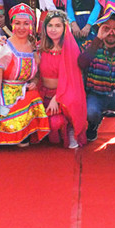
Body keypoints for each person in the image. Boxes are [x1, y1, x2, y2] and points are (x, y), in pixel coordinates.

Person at [0, 4, 50, 148]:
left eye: (26, 23)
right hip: (5, 95)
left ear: (31, 25)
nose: (21, 27)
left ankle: (24, 131)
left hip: (24, 93)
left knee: (35, 96)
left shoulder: (34, 47)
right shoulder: (3, 47)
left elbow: (37, 73)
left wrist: (34, 81)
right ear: (12, 24)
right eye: (17, 23)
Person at [79, 0, 115, 142]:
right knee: (90, 112)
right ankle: (93, 125)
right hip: (96, 93)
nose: (111, 33)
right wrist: (98, 38)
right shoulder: (90, 45)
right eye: (107, 28)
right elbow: (82, 63)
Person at [37, 11, 87, 148]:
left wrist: (57, 98)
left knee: (56, 122)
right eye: (50, 25)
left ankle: (71, 127)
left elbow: (72, 79)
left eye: (58, 25)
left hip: (64, 94)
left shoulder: (71, 48)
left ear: (65, 27)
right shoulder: (39, 48)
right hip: (43, 94)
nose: (53, 29)